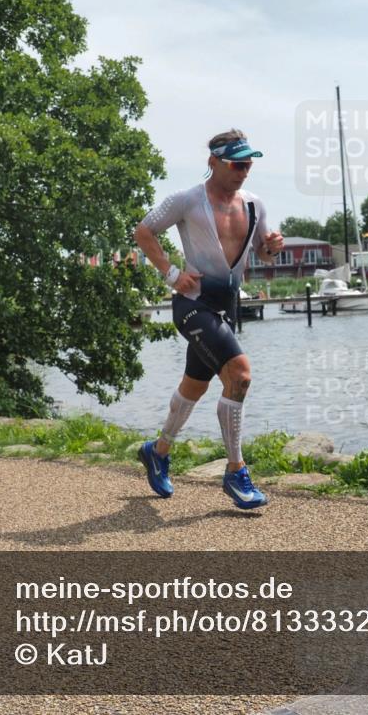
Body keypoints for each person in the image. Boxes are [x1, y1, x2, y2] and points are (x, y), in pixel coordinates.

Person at [133, 129, 283, 509]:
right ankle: (236, 471)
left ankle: (158, 450)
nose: (244, 171)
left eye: (249, 163)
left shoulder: (254, 205)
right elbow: (144, 231)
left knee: (194, 387)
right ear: (213, 162)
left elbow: (264, 255)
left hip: (226, 307)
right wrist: (171, 274)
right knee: (240, 374)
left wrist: (272, 248)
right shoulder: (187, 201)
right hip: (193, 306)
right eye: (237, 163)